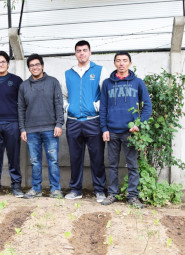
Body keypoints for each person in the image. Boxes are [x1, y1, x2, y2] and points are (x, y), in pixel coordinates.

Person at [100, 51, 152, 208]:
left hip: (131, 132)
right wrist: (104, 128)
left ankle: (133, 196)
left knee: (132, 165)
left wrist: (139, 124)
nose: (121, 63)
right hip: (112, 131)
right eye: (118, 60)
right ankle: (113, 194)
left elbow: (147, 105)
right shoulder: (107, 83)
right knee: (113, 165)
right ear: (114, 63)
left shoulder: (137, 82)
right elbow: (103, 107)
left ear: (129, 63)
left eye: (124, 60)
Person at [63, 40, 107, 202]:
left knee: (97, 157)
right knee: (75, 157)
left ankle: (100, 190)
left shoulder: (99, 71)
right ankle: (75, 190)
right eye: (78, 51)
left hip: (93, 121)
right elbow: (63, 95)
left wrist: (97, 106)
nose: (81, 53)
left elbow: (105, 94)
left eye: (84, 50)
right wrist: (68, 108)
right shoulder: (69, 73)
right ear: (75, 53)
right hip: (73, 122)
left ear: (90, 52)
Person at [18, 54, 64, 199]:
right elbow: (21, 108)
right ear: (29, 68)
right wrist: (22, 129)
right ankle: (36, 189)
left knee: (53, 160)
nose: (35, 67)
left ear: (42, 66)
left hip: (51, 129)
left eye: (37, 64)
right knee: (35, 161)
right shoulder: (24, 86)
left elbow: (59, 104)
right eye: (32, 65)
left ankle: (55, 189)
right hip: (31, 131)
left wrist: (59, 124)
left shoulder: (53, 82)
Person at [0, 51, 24, 198]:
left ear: (8, 63)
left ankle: (16, 186)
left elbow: (22, 103)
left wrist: (21, 125)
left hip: (12, 123)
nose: (1, 64)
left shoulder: (17, 80)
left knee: (14, 156)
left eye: (3, 61)